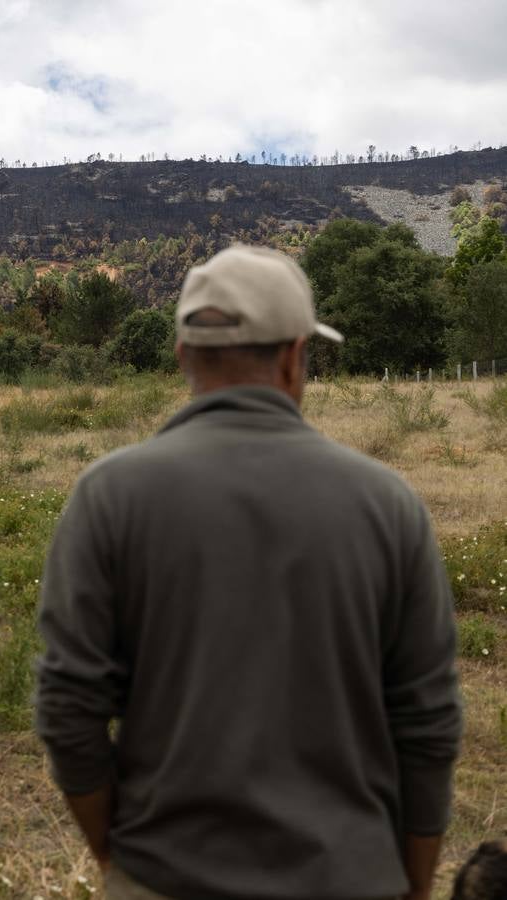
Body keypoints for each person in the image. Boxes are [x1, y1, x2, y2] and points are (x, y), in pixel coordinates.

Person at [35, 244, 462, 900]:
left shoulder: (108, 495)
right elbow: (427, 722)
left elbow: (69, 708)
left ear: (182, 356)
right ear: (295, 355)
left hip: (163, 876)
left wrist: (116, 860)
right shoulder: (388, 504)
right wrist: (410, 883)